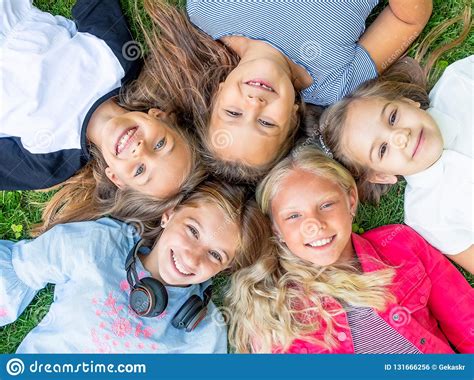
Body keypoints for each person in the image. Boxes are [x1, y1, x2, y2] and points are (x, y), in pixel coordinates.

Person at [136, 0, 432, 183]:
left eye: (233, 113)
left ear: (218, 92)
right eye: (266, 123)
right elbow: (408, 18)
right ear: (293, 118)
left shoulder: (208, 10)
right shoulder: (334, 83)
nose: (254, 104)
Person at [227, 146, 474, 353]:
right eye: (293, 215)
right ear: (276, 228)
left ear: (351, 201)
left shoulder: (400, 244)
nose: (315, 225)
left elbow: (465, 317)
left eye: (326, 204)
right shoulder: (270, 307)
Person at [0, 181, 272, 353]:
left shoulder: (204, 332)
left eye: (215, 255)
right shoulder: (99, 246)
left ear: (223, 270)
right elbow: (20, 268)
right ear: (169, 214)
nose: (192, 258)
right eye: (192, 231)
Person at [0, 0, 200, 200]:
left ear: (116, 178)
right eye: (159, 144)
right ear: (161, 116)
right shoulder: (118, 61)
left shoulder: (49, 165)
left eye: (139, 170)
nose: (140, 150)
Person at [317, 54, 473, 273]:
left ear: (408, 103)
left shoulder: (460, 84)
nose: (400, 136)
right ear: (381, 176)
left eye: (392, 118)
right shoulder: (425, 215)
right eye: (382, 149)